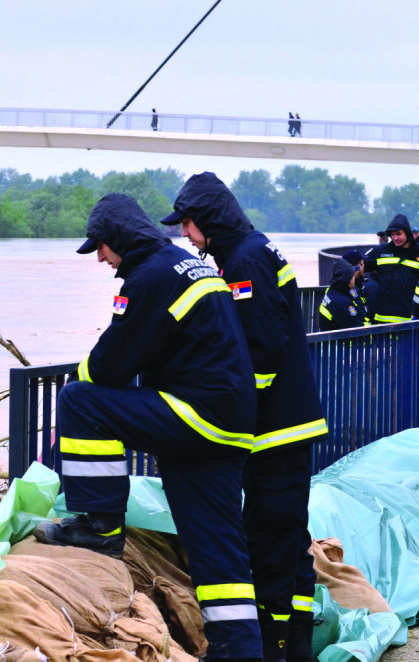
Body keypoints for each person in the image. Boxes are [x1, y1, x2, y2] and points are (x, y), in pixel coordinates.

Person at [33, 193, 263, 662]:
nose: (100, 258)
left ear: (118, 238)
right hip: (230, 423)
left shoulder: (150, 276)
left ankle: (100, 527)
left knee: (79, 399)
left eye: (101, 247)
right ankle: (238, 652)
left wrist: (78, 384)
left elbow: (110, 366)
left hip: (198, 415)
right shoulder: (185, 266)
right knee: (215, 546)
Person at [161, 172, 328, 662]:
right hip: (290, 426)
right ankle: (297, 646)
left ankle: (271, 650)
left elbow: (260, 350)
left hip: (275, 431)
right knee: (290, 544)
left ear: (210, 219)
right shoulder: (255, 249)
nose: (185, 235)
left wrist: (230, 409)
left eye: (188, 224)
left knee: (269, 545)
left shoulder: (245, 260)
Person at [363, 214, 419, 323]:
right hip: (381, 320)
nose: (395, 238)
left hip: (409, 320)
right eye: (392, 234)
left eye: (398, 234)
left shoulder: (417, 252)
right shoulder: (381, 251)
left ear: (407, 233)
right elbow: (360, 266)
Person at [319, 258, 367, 330]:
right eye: (353, 276)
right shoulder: (341, 303)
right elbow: (358, 329)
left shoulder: (335, 289)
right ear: (347, 280)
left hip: (333, 334)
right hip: (338, 337)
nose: (355, 278)